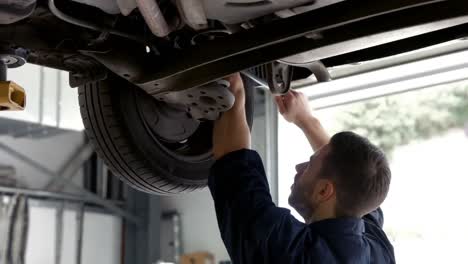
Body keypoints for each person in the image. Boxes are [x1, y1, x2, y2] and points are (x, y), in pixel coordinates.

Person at [209, 73, 395, 264]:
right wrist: (305, 119)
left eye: (309, 166)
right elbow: (353, 176)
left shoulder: (293, 255)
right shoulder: (375, 247)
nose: (299, 167)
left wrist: (232, 82)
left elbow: (235, 168)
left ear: (324, 191)